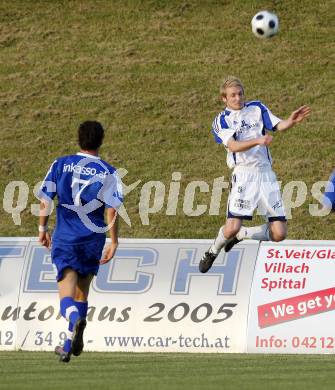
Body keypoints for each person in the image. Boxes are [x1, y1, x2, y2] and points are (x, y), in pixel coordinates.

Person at [199, 76, 311, 273]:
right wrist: (258, 141)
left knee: (279, 233)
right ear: (224, 99)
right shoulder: (221, 120)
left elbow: (278, 126)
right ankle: (212, 250)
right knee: (230, 227)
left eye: (240, 93)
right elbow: (232, 145)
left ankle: (244, 234)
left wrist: (291, 121)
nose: (237, 98)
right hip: (244, 175)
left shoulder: (257, 108)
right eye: (232, 95)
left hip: (266, 175)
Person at [38, 121, 123, 362]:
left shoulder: (61, 164)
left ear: (79, 139)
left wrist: (42, 228)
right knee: (81, 294)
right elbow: (111, 211)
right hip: (93, 240)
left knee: (66, 295)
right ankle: (67, 344)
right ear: (101, 140)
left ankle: (75, 321)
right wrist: (114, 241)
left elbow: (46, 199)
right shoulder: (109, 172)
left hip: (66, 238)